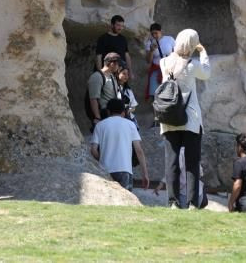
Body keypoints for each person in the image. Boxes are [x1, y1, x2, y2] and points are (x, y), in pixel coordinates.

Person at [159, 29, 211, 209]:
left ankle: (172, 202)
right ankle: (192, 203)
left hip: (168, 118)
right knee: (192, 162)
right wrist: (202, 51)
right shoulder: (192, 64)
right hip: (191, 119)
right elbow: (206, 73)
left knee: (171, 161)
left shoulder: (163, 62)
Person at [90, 98, 149, 191]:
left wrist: (102, 159)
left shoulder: (100, 125)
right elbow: (139, 150)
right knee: (125, 203)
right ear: (123, 112)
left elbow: (93, 150)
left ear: (108, 112)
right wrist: (145, 174)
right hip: (124, 169)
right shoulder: (130, 125)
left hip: (105, 170)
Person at [87, 52, 122, 131]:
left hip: (113, 116)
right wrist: (97, 117)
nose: (119, 66)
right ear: (112, 64)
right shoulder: (97, 76)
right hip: (104, 116)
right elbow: (93, 98)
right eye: (118, 63)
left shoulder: (112, 76)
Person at [143, 22, 175, 101]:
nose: (154, 35)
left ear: (161, 31)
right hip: (156, 69)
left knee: (170, 93)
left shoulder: (169, 39)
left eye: (156, 33)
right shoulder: (150, 43)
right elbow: (148, 61)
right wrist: (151, 50)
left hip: (169, 69)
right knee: (155, 94)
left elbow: (176, 53)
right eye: (152, 34)